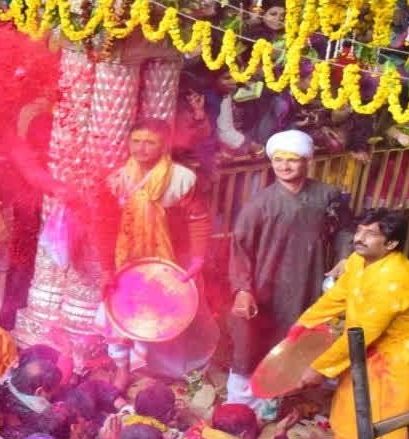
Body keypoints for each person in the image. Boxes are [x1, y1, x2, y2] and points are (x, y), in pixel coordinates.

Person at [293, 209, 409, 439]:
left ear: (392, 244)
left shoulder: (394, 279)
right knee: (353, 412)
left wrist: (319, 369)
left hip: (402, 362)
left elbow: (363, 335)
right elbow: (335, 298)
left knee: (388, 428)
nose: (359, 239)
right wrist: (301, 326)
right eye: (359, 231)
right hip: (371, 354)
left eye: (370, 234)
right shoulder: (358, 263)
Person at [228, 129, 352, 418]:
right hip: (266, 286)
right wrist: (243, 289)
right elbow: (240, 250)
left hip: (309, 281)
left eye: (292, 160)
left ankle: (287, 398)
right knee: (255, 341)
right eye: (279, 160)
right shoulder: (259, 205)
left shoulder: (327, 196)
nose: (284, 166)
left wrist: (345, 256)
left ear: (308, 161)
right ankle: (245, 407)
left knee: (303, 335)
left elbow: (346, 228)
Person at [96, 118, 216, 385]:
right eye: (136, 141)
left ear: (164, 146)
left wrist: (197, 259)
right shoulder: (117, 180)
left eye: (149, 143)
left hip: (170, 261)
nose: (141, 148)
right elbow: (103, 226)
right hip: (125, 262)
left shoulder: (183, 179)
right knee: (121, 314)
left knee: (166, 313)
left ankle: (160, 372)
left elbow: (198, 220)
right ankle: (123, 368)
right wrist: (106, 268)